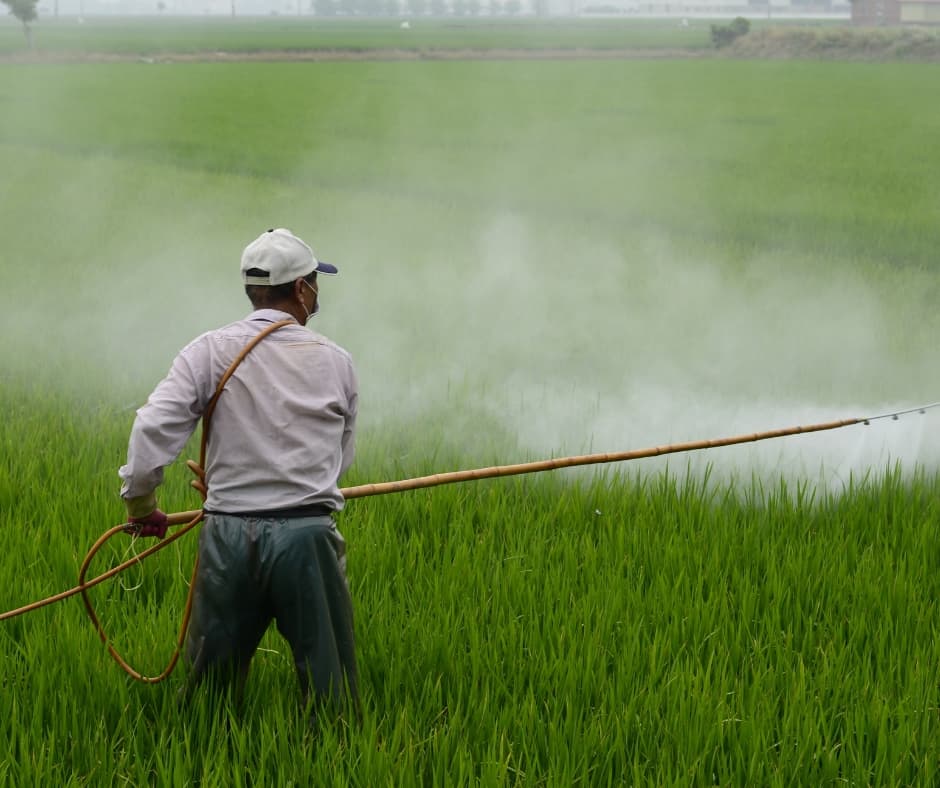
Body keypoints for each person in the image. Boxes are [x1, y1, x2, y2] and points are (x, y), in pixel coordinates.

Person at [118, 228, 360, 718]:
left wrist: (142, 506)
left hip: (227, 534)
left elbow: (152, 428)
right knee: (330, 686)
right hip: (307, 537)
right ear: (300, 289)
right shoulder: (336, 362)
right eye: (314, 282)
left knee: (210, 693)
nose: (315, 292)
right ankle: (336, 760)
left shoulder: (208, 350)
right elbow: (339, 460)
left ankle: (201, 756)